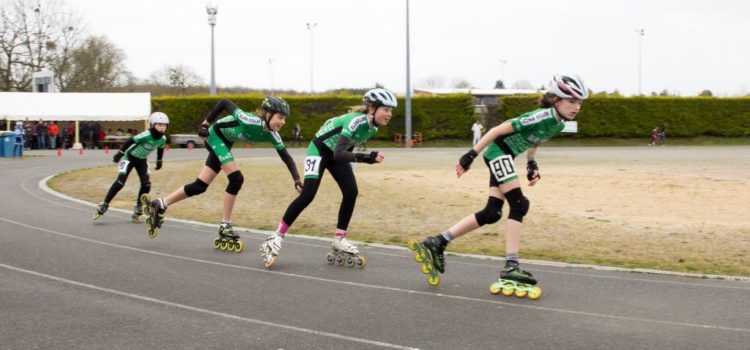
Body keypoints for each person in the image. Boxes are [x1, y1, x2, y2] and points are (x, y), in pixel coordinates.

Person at [407, 74, 588, 299]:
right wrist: (470, 155)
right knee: (520, 204)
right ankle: (511, 264)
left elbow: (536, 139)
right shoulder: (540, 115)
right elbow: (495, 130)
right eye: (572, 101)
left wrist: (532, 162)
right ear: (555, 100)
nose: (576, 107)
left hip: (506, 156)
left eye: (579, 102)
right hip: (498, 152)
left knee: (492, 212)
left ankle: (437, 242)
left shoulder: (559, 122)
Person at [259, 88, 397, 269]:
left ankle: (339, 239)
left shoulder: (373, 128)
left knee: (351, 191)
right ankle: (275, 237)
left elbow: (344, 150)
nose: (389, 114)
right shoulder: (356, 121)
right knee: (308, 194)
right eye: (386, 109)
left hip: (336, 154)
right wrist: (367, 158)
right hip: (319, 149)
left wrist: (351, 169)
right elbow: (340, 152)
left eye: (391, 110)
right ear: (371, 108)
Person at [141, 97, 301, 253]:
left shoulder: (272, 134)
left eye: (285, 118)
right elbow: (224, 102)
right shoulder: (249, 120)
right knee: (236, 178)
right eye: (280, 117)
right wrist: (205, 124)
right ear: (268, 114)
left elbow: (286, 157)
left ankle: (160, 204)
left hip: (225, 142)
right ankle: (225, 225)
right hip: (214, 136)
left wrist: (297, 179)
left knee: (200, 186)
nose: (283, 122)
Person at [93, 112, 169, 222]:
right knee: (120, 183)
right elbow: (130, 140)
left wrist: (159, 161)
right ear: (152, 125)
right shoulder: (146, 135)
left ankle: (138, 207)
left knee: (146, 184)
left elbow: (160, 149)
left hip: (142, 161)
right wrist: (120, 154)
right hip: (130, 158)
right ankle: (104, 204)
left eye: (164, 125)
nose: (163, 127)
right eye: (160, 125)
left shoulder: (163, 139)